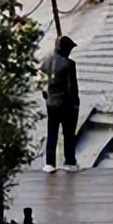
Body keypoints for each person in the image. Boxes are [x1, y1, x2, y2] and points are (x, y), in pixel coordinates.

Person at [41, 34, 80, 172]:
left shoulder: (46, 61)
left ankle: (49, 163)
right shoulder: (69, 64)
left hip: (51, 102)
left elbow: (41, 80)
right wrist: (75, 103)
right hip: (65, 103)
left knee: (52, 131)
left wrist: (46, 94)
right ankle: (69, 161)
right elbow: (72, 87)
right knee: (68, 132)